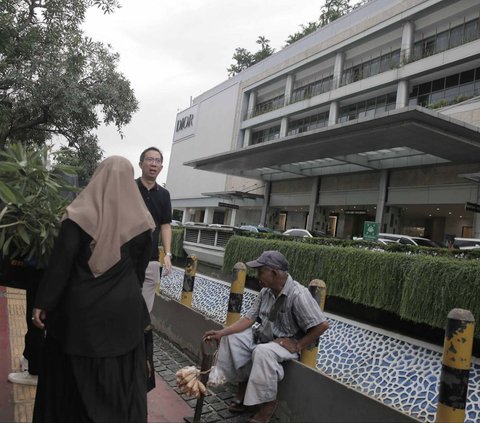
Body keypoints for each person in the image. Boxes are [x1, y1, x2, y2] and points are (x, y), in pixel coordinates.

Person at [32, 156, 155, 423]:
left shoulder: (79, 215)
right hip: (124, 315)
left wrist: (44, 303)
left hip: (80, 318)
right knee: (119, 384)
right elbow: (139, 273)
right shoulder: (142, 222)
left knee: (72, 383)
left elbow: (60, 266)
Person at [203, 250, 329, 423]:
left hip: (283, 344)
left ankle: (268, 404)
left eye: (261, 272)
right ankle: (242, 386)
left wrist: (298, 345)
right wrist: (221, 333)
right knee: (232, 338)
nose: (257, 276)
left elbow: (322, 325)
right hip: (264, 337)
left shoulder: (298, 294)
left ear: (274, 273)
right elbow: (249, 318)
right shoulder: (265, 292)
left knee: (262, 352)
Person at [136, 147, 172, 312]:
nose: (153, 164)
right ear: (141, 163)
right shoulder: (129, 188)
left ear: (161, 167)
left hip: (150, 259)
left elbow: (165, 225)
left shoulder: (164, 194)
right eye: (150, 159)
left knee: (143, 312)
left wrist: (168, 254)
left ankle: (139, 337)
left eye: (157, 161)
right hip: (126, 257)